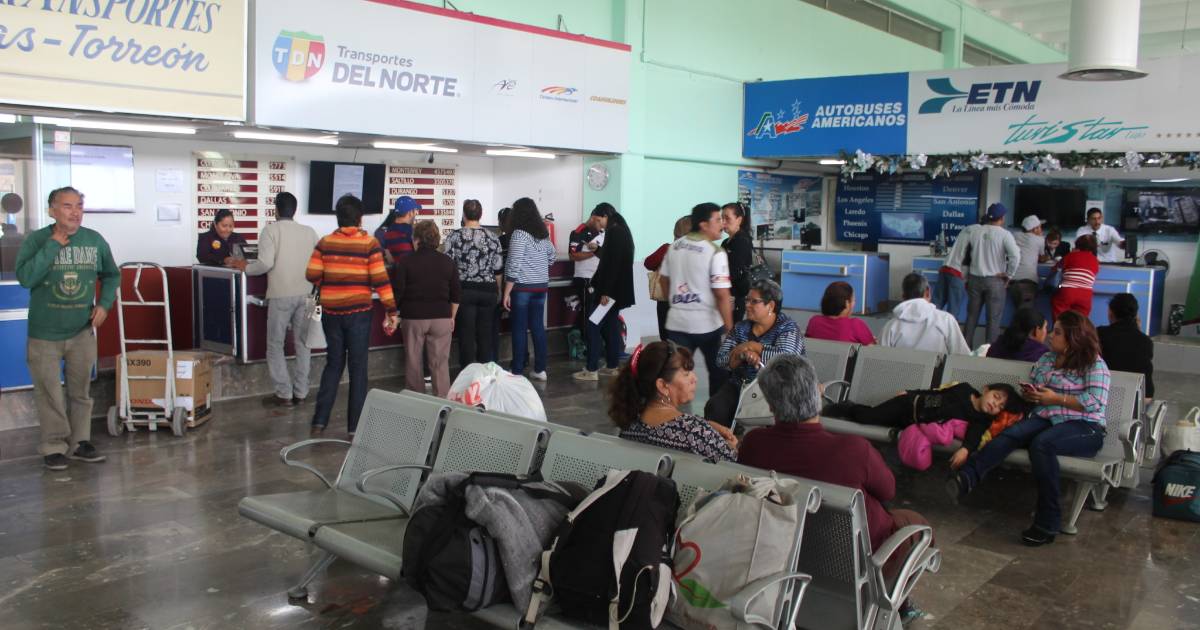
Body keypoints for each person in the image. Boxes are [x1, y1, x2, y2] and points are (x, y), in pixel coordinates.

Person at [738, 354, 932, 583]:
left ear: (771, 406)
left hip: (783, 553)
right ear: (818, 395)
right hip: (851, 563)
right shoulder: (853, 449)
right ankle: (897, 597)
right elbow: (888, 491)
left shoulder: (753, 444)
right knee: (915, 522)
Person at [949, 311, 1110, 546]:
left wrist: (1056, 398)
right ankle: (967, 477)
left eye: (1057, 332)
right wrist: (1032, 394)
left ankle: (1048, 522)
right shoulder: (1047, 359)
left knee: (1042, 445)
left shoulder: (1093, 364)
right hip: (1047, 417)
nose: (1050, 336)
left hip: (1085, 426)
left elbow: (1095, 402)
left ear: (1072, 338)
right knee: (1012, 433)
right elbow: (1037, 385)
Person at [16, 186, 120, 470]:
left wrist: (104, 305)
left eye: (79, 206)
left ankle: (80, 442)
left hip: (81, 331)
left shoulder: (94, 240)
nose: (75, 212)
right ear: (52, 210)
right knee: (49, 392)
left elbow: (112, 275)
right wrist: (53, 245)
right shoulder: (37, 240)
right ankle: (53, 446)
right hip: (44, 334)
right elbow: (26, 278)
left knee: (81, 391)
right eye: (67, 206)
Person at [306, 194, 398, 437]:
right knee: (358, 368)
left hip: (331, 313)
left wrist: (332, 281)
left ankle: (319, 421)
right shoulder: (369, 244)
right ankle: (354, 427)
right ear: (360, 219)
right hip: (359, 313)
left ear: (338, 218)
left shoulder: (325, 243)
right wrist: (391, 311)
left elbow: (311, 273)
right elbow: (380, 280)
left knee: (333, 364)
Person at [825, 381, 1022, 469]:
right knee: (868, 416)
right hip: (907, 405)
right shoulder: (964, 389)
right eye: (996, 397)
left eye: (1000, 406)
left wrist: (965, 450)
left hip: (912, 423)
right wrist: (910, 392)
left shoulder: (980, 419)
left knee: (875, 419)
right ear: (986, 389)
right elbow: (936, 392)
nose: (995, 404)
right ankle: (845, 407)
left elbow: (974, 435)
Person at [244, 192, 319, 407]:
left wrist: (246, 268)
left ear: (275, 210)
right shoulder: (309, 232)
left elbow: (265, 263)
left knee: (275, 345)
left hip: (281, 295)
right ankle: (301, 392)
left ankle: (284, 393)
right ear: (294, 210)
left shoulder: (270, 230)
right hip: (308, 295)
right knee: (303, 344)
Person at [609, 341, 737, 462]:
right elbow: (732, 463)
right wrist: (731, 446)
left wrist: (707, 427)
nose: (695, 378)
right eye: (686, 374)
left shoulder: (630, 426)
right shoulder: (695, 432)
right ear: (662, 385)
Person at [660, 202, 734, 395]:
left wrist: (675, 303)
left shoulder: (674, 247)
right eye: (718, 219)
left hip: (677, 323)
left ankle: (672, 410)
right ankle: (716, 412)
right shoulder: (715, 252)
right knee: (719, 374)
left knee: (676, 374)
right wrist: (730, 329)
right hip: (708, 326)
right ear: (703, 224)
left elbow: (663, 279)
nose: (722, 224)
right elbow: (722, 294)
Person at [705, 279, 802, 426]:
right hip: (741, 385)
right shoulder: (741, 327)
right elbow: (721, 360)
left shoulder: (787, 328)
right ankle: (721, 439)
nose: (747, 305)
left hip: (777, 388)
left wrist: (752, 346)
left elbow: (787, 359)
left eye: (754, 301)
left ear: (770, 305)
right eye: (747, 300)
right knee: (715, 407)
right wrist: (742, 355)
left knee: (770, 416)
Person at [394, 220, 461, 398]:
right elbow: (456, 294)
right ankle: (443, 403)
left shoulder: (406, 262)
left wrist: (393, 313)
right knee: (440, 364)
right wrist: (452, 317)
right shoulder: (447, 262)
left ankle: (417, 402)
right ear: (436, 239)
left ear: (416, 240)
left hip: (413, 318)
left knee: (413, 362)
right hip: (441, 318)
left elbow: (398, 293)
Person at [575, 204, 635, 381]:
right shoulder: (621, 230)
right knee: (611, 327)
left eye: (598, 220)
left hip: (609, 292)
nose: (597, 224)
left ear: (605, 216)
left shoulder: (615, 231)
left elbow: (612, 266)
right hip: (616, 291)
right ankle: (612, 366)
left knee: (593, 325)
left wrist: (605, 292)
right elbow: (612, 258)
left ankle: (591, 369)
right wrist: (598, 250)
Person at [444, 199, 503, 366]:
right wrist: (498, 290)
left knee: (466, 335)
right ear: (481, 215)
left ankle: (467, 372)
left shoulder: (454, 236)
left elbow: (448, 266)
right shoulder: (493, 237)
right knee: (485, 334)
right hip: (488, 291)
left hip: (464, 291)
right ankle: (484, 372)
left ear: (463, 215)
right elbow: (498, 268)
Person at [503, 198, 556, 380]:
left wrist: (507, 291)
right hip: (541, 288)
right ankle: (540, 369)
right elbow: (552, 257)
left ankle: (517, 370)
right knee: (537, 327)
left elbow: (514, 264)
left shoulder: (519, 234)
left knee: (519, 328)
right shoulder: (543, 234)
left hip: (522, 288)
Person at [963, 203, 1020, 349]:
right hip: (995, 280)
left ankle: (964, 349)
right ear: (1002, 218)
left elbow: (966, 257)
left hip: (974, 279)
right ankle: (989, 353)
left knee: (971, 317)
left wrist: (966, 278)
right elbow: (1015, 256)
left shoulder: (975, 232)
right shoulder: (1005, 234)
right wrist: (1009, 275)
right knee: (993, 320)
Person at [879, 272, 970, 355]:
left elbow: (879, 359)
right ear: (928, 292)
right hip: (937, 368)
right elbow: (962, 356)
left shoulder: (891, 326)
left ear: (903, 297)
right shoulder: (946, 320)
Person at [1097, 293, 1154, 399]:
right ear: (1136, 315)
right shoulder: (1146, 341)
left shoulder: (1099, 334)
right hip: (1139, 399)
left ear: (1110, 312)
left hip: (1104, 395)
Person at [644, 216, 692, 340]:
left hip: (666, 301)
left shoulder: (667, 249)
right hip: (688, 301)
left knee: (666, 339)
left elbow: (648, 263)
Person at [568, 206, 606, 347]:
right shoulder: (579, 231)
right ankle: (586, 346)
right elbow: (573, 255)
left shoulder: (603, 233)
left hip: (599, 279)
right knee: (588, 313)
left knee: (598, 314)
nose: (602, 224)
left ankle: (595, 345)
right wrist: (595, 252)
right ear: (594, 217)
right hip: (585, 278)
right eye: (601, 221)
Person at [804, 281, 876, 344]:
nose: (854, 303)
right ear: (847, 303)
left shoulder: (814, 322)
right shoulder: (856, 325)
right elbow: (872, 351)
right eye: (854, 300)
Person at [1051, 234, 1099, 320]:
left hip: (1068, 291)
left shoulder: (1070, 255)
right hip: (1086, 294)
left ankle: (1060, 328)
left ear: (1077, 244)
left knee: (1060, 315)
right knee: (1081, 320)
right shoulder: (1095, 260)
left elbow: (1056, 268)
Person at [721, 202, 754, 323]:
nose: (723, 222)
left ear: (739, 220)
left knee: (731, 328)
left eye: (727, 218)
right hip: (727, 293)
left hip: (735, 294)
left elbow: (734, 271)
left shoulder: (741, 241)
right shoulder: (726, 242)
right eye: (721, 218)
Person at [933, 224, 971, 318]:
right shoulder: (980, 234)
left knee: (935, 306)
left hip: (945, 268)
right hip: (958, 272)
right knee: (953, 310)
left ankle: (928, 325)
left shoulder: (966, 229)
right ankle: (949, 328)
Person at [1009, 214, 1046, 312]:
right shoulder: (1039, 239)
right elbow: (1042, 258)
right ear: (1035, 229)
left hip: (1012, 281)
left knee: (1019, 310)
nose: (1041, 229)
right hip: (1028, 281)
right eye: (1039, 227)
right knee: (1026, 312)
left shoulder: (1014, 235)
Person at [375, 196, 418, 268]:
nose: (416, 213)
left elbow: (390, 259)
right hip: (412, 271)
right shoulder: (412, 231)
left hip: (397, 272)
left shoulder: (386, 232)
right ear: (410, 212)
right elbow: (420, 257)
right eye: (415, 211)